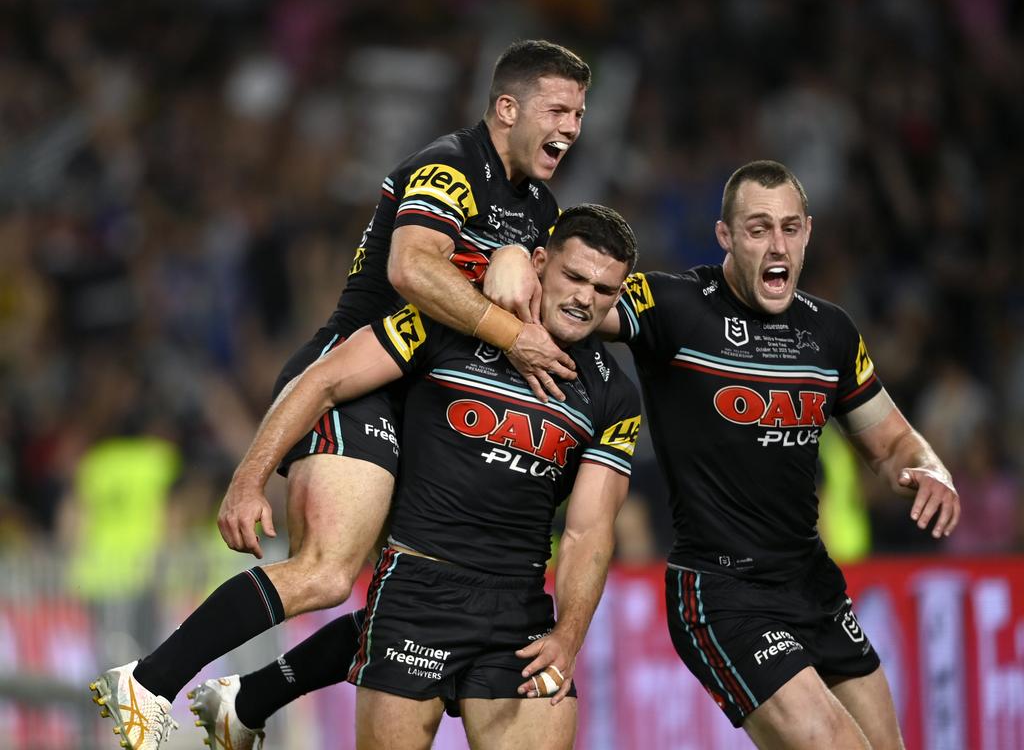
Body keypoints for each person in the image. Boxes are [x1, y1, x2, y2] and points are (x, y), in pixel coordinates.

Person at [90, 39, 591, 750]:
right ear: (508, 108)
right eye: (559, 109)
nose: (572, 127)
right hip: (354, 380)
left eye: (580, 113)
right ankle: (146, 681)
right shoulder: (449, 166)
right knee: (327, 572)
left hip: (421, 402)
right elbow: (412, 267)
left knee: (432, 593)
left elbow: (567, 291)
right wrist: (249, 477)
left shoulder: (540, 206)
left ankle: (247, 701)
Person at [597, 160, 960, 749]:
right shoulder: (671, 304)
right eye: (758, 228)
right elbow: (580, 304)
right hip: (722, 592)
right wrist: (516, 266)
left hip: (813, 588)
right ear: (726, 237)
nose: (777, 245)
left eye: (790, 228)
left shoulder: (831, 333)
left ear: (808, 233)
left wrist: (930, 469)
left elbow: (893, 442)